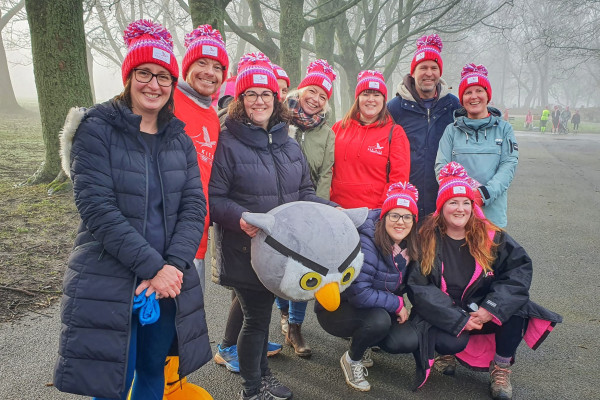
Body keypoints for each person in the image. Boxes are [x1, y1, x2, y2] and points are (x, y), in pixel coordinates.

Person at [53, 20, 210, 400]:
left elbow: (194, 206)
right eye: (144, 73)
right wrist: (153, 269)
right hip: (110, 274)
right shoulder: (96, 128)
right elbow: (96, 207)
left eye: (163, 76)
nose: (154, 85)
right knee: (112, 383)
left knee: (153, 370)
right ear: (129, 76)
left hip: (167, 282)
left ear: (173, 84)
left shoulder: (180, 138)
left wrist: (171, 268)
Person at [209, 52, 335, 400]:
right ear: (241, 100)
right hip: (244, 248)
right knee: (256, 320)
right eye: (251, 94)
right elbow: (214, 198)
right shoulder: (228, 141)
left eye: (266, 94)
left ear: (276, 100)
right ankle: (252, 389)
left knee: (260, 320)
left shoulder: (287, 141)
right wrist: (241, 218)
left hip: (281, 251)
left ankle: (262, 379)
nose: (260, 100)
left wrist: (336, 212)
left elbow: (305, 192)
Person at [407, 162, 562, 400]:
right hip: (447, 314)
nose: (460, 209)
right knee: (447, 339)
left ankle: (500, 367)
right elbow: (420, 288)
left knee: (518, 306)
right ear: (441, 207)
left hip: (481, 311)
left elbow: (517, 273)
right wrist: (457, 318)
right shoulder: (426, 237)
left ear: (472, 206)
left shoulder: (492, 236)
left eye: (465, 202)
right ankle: (447, 354)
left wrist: (490, 308)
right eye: (452, 202)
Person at [316, 182, 420, 391]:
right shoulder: (368, 242)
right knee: (379, 321)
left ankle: (363, 341)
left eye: (407, 216)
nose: (401, 222)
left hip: (375, 305)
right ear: (384, 217)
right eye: (394, 215)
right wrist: (397, 304)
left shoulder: (410, 245)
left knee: (405, 340)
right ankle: (352, 359)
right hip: (338, 309)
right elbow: (359, 293)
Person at [274, 59, 337, 357]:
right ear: (301, 90)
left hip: (306, 206)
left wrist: (317, 212)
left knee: (302, 268)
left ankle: (296, 327)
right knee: (276, 265)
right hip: (274, 204)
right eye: (312, 90)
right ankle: (283, 313)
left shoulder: (326, 132)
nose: (315, 98)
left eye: (323, 96)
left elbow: (326, 173)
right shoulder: (278, 117)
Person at [174, 24, 229, 297]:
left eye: (217, 66)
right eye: (202, 62)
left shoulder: (211, 115)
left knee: (190, 317)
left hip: (198, 233)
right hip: (166, 235)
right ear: (187, 67)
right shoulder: (167, 99)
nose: (210, 72)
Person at [387, 34, 461, 221]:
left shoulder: (453, 106)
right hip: (407, 196)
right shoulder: (395, 107)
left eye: (434, 68)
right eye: (423, 67)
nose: (429, 73)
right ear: (413, 72)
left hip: (442, 196)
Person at [435, 64, 518, 228]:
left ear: (487, 95)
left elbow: (508, 165)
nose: (474, 97)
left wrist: (484, 193)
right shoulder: (451, 131)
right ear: (462, 98)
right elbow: (441, 167)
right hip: (458, 218)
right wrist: (463, 197)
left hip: (492, 217)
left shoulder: (504, 129)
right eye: (468, 92)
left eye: (479, 91)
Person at [331, 70, 411, 209]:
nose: (371, 99)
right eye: (365, 94)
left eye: (376, 95)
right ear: (357, 98)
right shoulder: (338, 128)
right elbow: (326, 171)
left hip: (373, 213)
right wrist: (329, 204)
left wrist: (380, 210)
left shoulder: (395, 133)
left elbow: (399, 179)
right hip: (337, 210)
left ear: (384, 99)